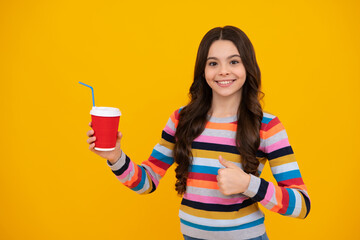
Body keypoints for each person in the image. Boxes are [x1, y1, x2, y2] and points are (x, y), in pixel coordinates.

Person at [86, 25, 311, 240]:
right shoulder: (181, 120)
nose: (223, 71)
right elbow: (147, 182)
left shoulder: (267, 126)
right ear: (203, 71)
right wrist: (115, 157)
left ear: (248, 67)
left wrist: (247, 184)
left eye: (234, 61)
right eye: (213, 63)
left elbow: (301, 205)